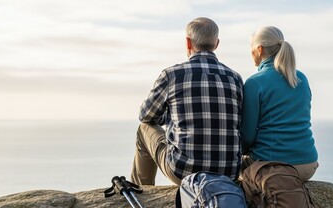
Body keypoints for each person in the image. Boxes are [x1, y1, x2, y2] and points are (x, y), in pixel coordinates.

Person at [130, 17, 243, 186]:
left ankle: (142, 192)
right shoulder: (235, 78)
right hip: (227, 173)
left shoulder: (172, 75)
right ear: (217, 43)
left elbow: (145, 115)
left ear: (188, 42)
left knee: (143, 129)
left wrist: (170, 117)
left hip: (184, 171)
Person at [241, 26, 318, 181]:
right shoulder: (301, 78)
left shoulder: (255, 82)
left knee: (231, 171)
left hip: (273, 167)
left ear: (259, 49)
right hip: (308, 165)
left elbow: (247, 137)